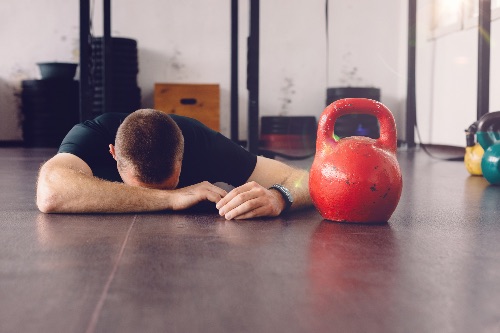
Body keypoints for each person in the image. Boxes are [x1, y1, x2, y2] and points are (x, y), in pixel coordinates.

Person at [36, 109, 312, 220]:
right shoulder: (91, 135)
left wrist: (280, 197)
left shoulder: (203, 143)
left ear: (183, 157)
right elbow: (50, 194)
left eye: (171, 184)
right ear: (112, 154)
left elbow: (304, 180)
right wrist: (170, 197)